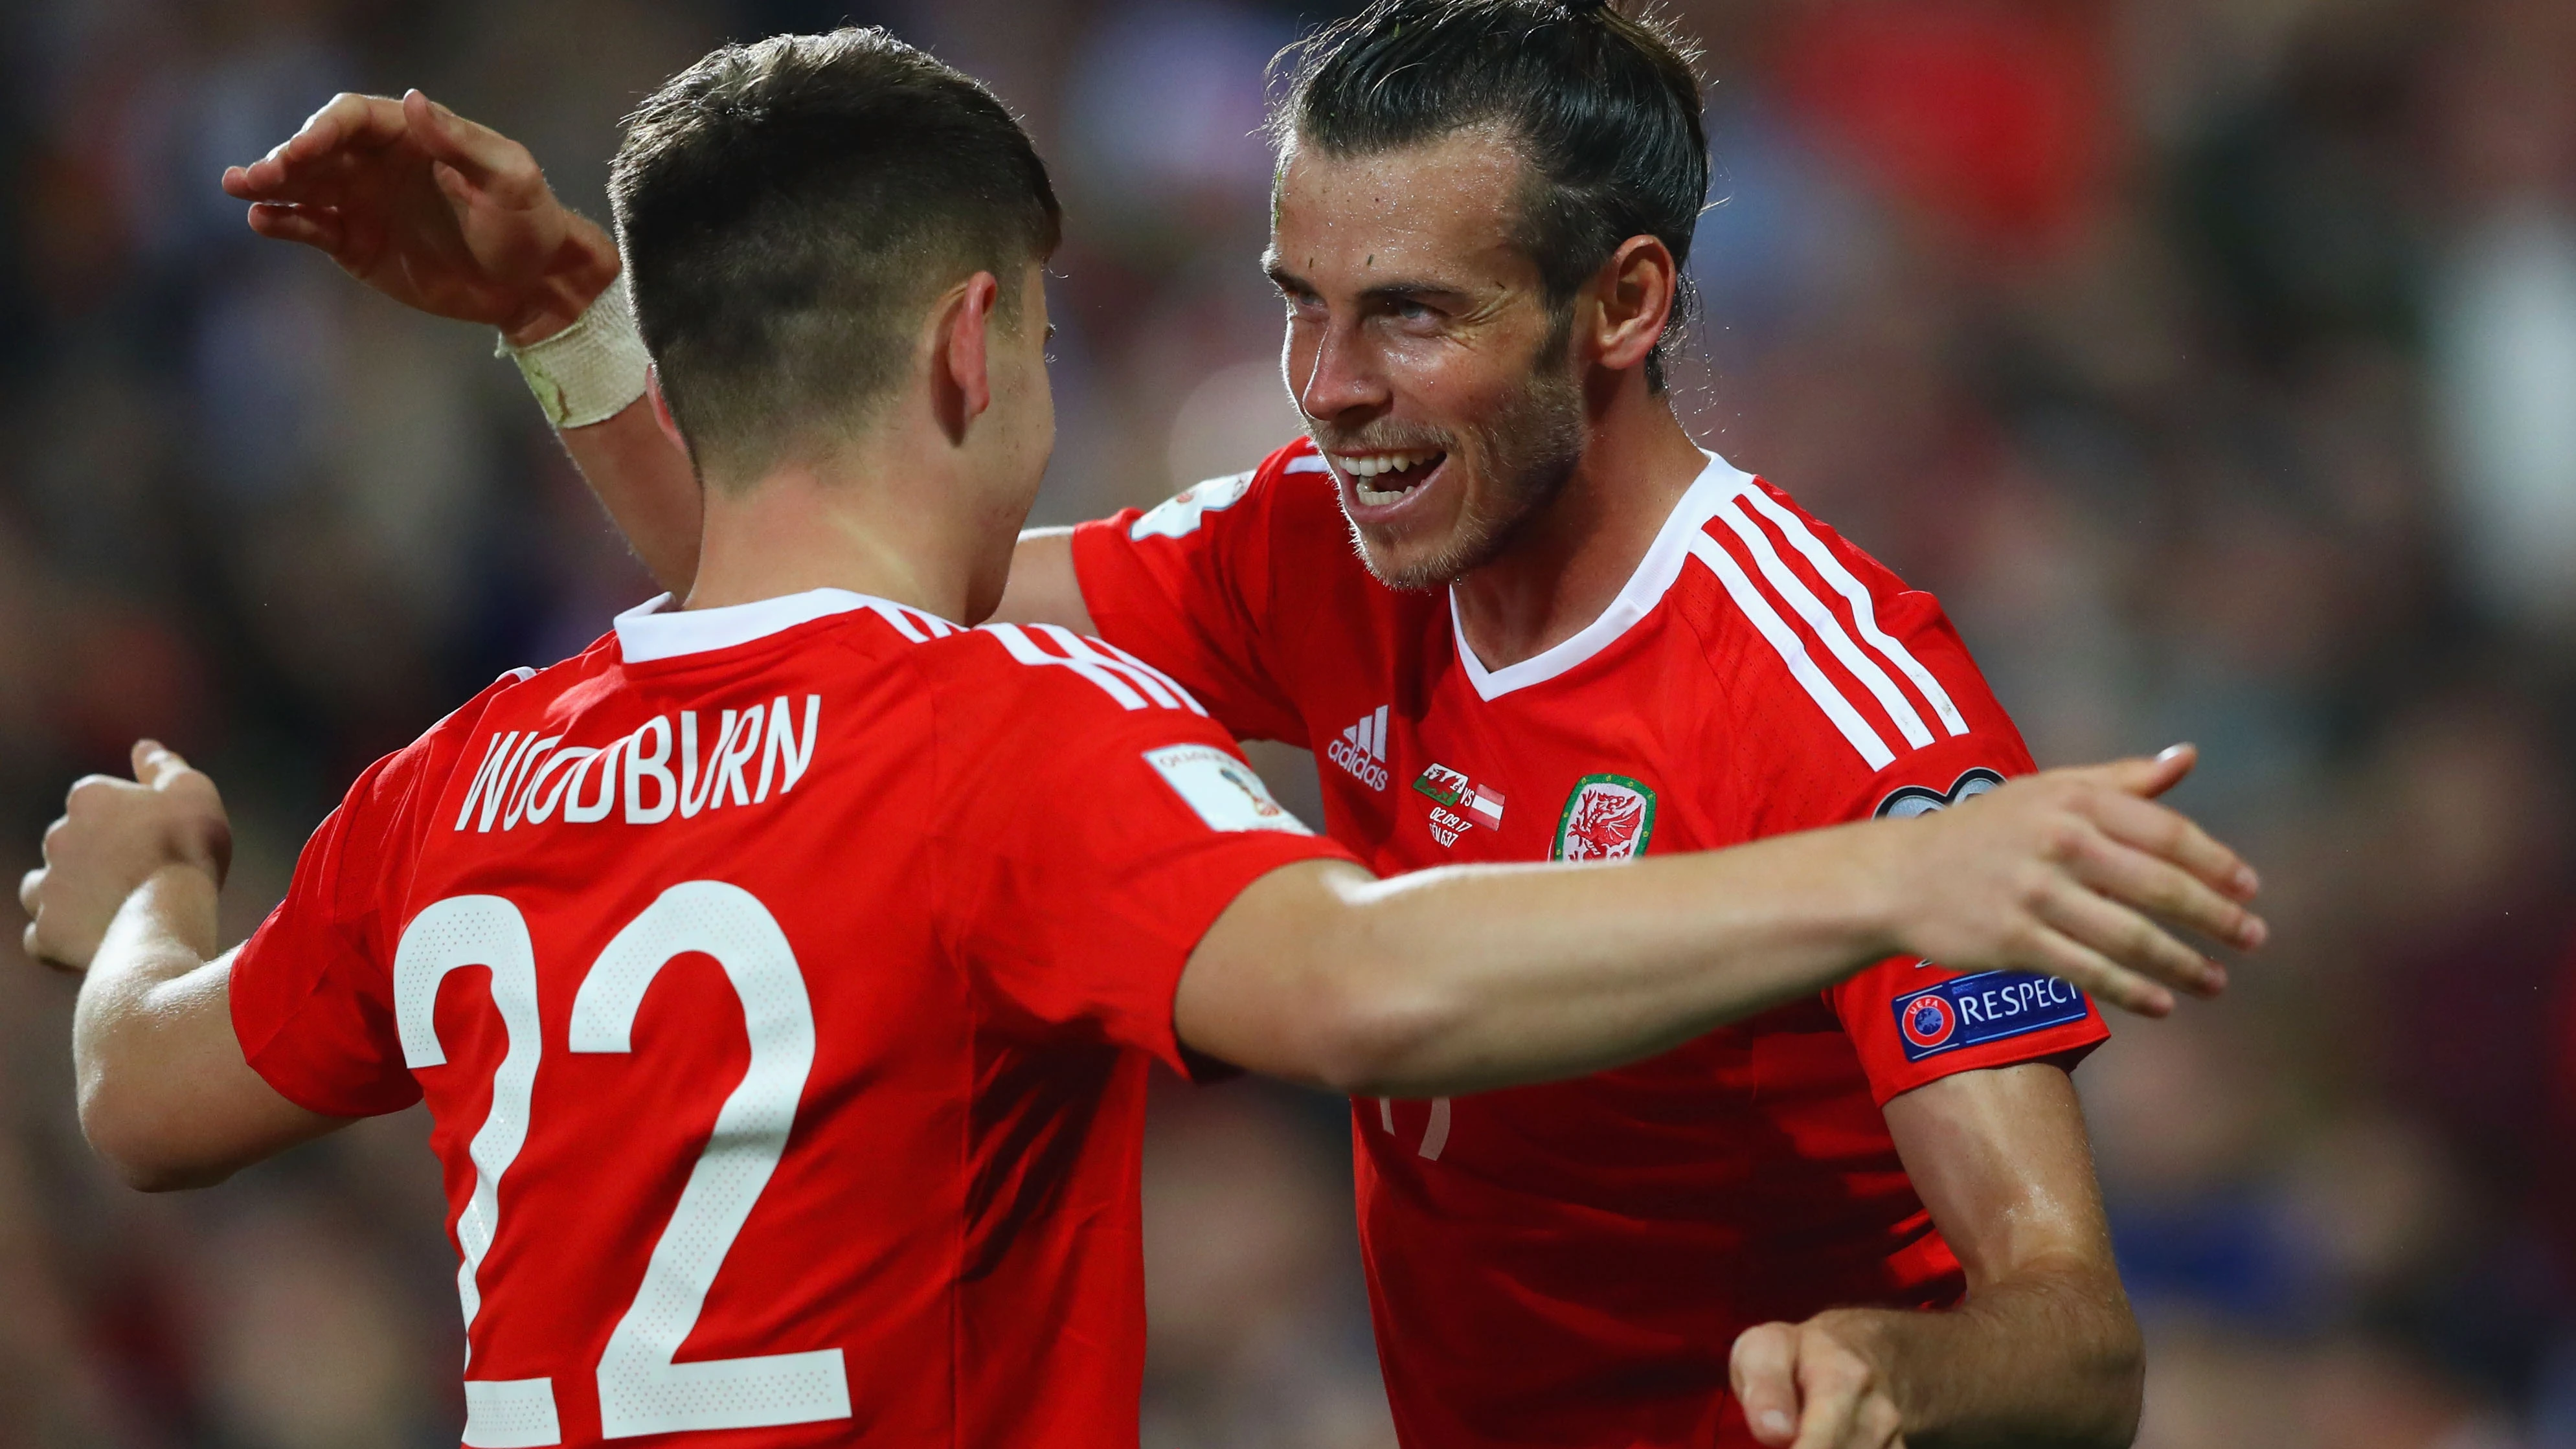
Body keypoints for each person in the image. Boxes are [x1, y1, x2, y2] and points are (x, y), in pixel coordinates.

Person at [211, 9, 2263, 1448]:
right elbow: (816, 597)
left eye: (1413, 318)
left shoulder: (1849, 716)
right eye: (1302, 299)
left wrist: (1899, 1376)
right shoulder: (1319, 546)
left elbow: (2076, 1339)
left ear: (1622, 306)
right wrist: (577, 326)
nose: (1329, 388)